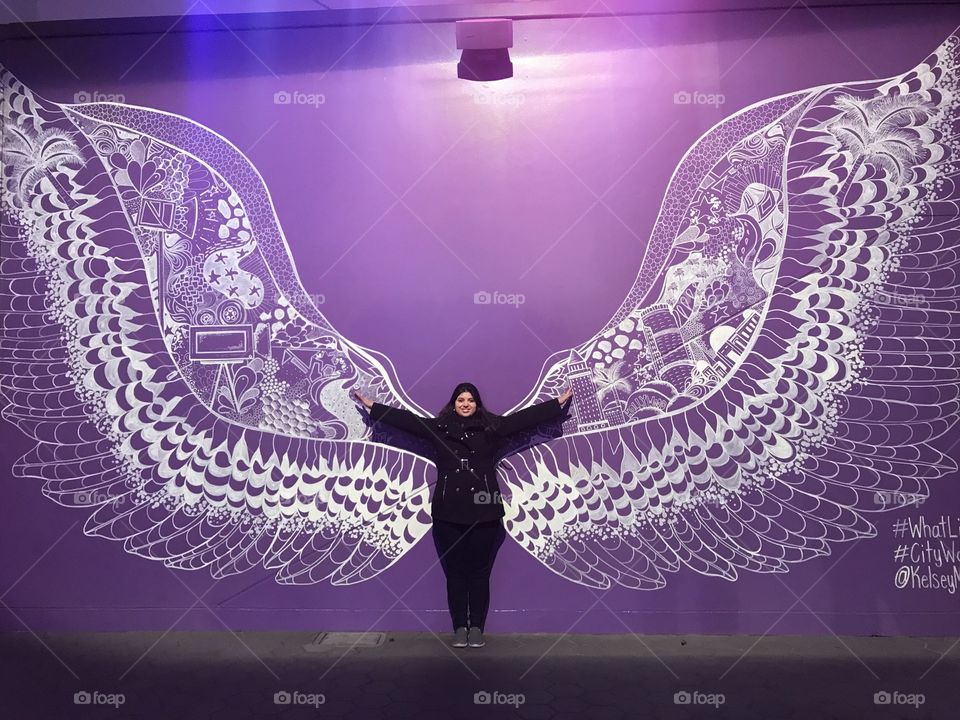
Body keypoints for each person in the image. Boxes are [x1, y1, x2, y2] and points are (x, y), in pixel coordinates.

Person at [352, 382, 572, 648]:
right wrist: (371, 406)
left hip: (484, 513)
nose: (465, 404)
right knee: (455, 574)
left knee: (479, 573)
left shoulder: (493, 428)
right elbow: (406, 421)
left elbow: (522, 420)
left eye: (470, 400)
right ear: (453, 403)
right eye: (460, 400)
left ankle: (477, 627)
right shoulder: (439, 429)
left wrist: (557, 404)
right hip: (448, 513)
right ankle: (459, 627)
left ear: (477, 403)